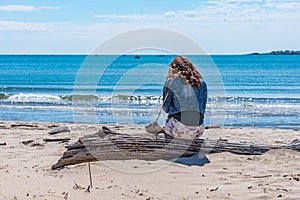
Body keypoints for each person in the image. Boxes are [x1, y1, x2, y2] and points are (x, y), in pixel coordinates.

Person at [162, 56, 207, 140]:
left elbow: (166, 108)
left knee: (169, 126)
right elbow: (203, 109)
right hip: (198, 129)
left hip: (179, 127)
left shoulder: (170, 83)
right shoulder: (202, 83)